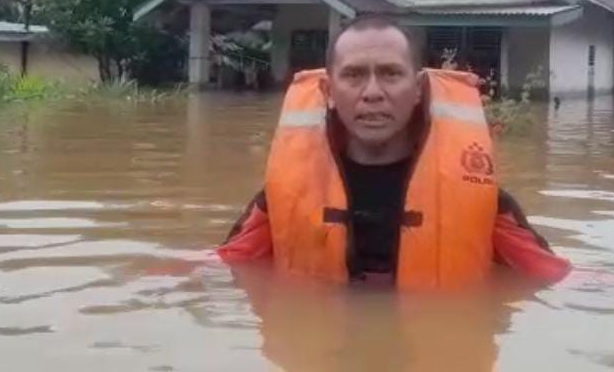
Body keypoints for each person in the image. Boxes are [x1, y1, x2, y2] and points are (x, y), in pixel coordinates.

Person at [217, 15, 571, 289]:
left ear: (417, 88)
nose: (372, 92)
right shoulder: (284, 195)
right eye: (354, 75)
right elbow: (222, 269)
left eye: (390, 74)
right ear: (328, 89)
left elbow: (556, 279)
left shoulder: (483, 201)